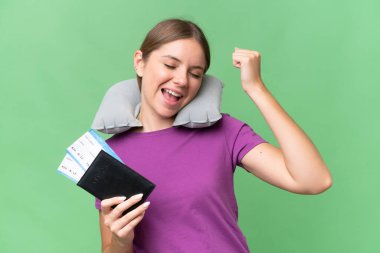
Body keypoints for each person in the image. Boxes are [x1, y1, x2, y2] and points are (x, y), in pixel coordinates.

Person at [96, 18, 332, 253]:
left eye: (195, 74)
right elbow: (110, 247)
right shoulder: (112, 157)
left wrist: (256, 88)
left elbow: (314, 180)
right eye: (170, 65)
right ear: (140, 62)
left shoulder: (225, 132)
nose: (181, 80)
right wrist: (121, 240)